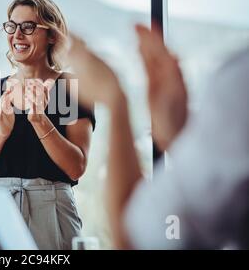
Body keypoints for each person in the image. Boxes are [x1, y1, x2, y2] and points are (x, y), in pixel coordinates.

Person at [66, 24, 249, 249]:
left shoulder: (240, 84)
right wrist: (178, 137)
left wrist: (114, 100)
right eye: (11, 26)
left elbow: (138, 237)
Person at [0, 0, 96, 250]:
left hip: (54, 209)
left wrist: (39, 120)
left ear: (52, 36)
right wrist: (0, 134)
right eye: (11, 26)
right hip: (1, 212)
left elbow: (76, 167)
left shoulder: (71, 88)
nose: (17, 35)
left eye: (29, 27)